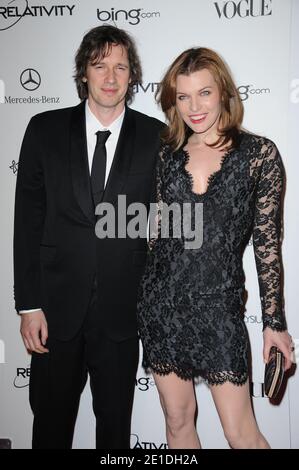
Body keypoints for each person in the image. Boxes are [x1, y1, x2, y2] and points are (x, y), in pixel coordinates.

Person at [13, 25, 164, 449]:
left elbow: (170, 225)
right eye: (100, 66)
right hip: (54, 315)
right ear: (84, 72)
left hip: (122, 314)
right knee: (50, 428)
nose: (111, 77)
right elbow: (26, 223)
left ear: (132, 75)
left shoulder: (156, 137)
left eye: (121, 67)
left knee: (114, 433)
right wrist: (29, 305)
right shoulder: (43, 130)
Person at [137, 47, 294, 449]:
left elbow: (267, 244)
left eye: (204, 93)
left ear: (224, 92)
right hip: (162, 305)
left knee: (241, 433)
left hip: (218, 308)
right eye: (183, 96)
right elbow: (157, 233)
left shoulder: (259, 155)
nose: (194, 107)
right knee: (177, 421)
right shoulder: (166, 154)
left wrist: (274, 323)